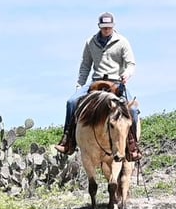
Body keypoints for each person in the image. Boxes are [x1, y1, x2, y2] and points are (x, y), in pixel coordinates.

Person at [55, 12, 142, 161]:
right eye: (104, 27)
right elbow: (85, 65)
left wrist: (127, 74)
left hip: (116, 81)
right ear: (99, 27)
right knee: (71, 102)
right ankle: (67, 140)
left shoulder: (122, 42)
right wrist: (80, 84)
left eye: (109, 27)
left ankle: (132, 146)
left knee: (132, 110)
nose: (106, 30)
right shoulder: (91, 42)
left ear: (113, 26)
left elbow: (131, 63)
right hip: (96, 81)